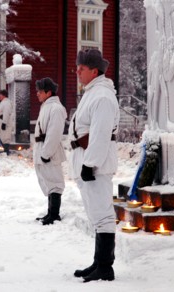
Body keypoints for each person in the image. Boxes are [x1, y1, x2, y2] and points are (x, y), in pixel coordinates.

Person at [68, 49, 120, 282]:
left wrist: (90, 164)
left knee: (102, 215)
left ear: (94, 70)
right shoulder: (93, 93)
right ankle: (98, 262)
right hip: (87, 159)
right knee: (95, 214)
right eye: (77, 66)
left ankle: (105, 267)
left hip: (95, 163)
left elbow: (99, 133)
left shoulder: (102, 96)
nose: (77, 70)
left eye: (82, 67)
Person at [33, 77, 67, 225]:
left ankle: (54, 214)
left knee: (55, 182)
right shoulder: (46, 106)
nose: (37, 94)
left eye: (40, 91)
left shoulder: (56, 109)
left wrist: (46, 153)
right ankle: (50, 213)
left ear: (48, 92)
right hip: (43, 149)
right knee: (47, 181)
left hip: (50, 152)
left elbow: (54, 133)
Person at [0, 89, 12, 155]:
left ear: (3, 95)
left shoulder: (6, 103)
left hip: (5, 122)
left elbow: (6, 113)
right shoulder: (3, 102)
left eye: (0, 95)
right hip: (1, 121)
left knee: (5, 138)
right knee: (1, 137)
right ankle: (2, 151)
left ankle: (5, 151)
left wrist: (4, 123)